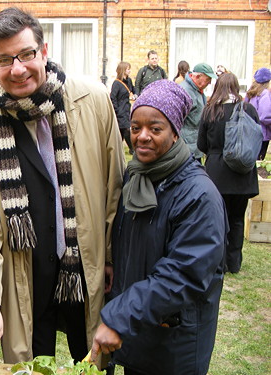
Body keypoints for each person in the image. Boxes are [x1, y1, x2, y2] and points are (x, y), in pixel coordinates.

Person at [0, 6, 125, 369]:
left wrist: (110, 256)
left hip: (85, 265)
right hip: (26, 276)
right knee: (31, 365)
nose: (17, 69)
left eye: (26, 54)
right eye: (4, 60)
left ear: (44, 51)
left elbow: (115, 187)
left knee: (96, 360)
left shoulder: (92, 100)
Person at [91, 79, 227, 375]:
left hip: (173, 343)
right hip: (140, 332)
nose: (142, 137)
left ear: (176, 132)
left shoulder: (198, 195)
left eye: (155, 128)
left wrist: (119, 316)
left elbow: (183, 274)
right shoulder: (137, 177)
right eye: (136, 127)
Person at [198, 72, 260, 274]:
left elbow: (201, 144)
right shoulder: (248, 109)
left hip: (217, 173)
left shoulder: (210, 111)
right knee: (237, 219)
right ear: (236, 87)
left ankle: (220, 262)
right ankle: (234, 263)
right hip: (242, 173)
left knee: (217, 221)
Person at [179, 63, 217, 162]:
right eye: (208, 79)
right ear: (197, 76)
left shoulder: (197, 89)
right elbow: (177, 120)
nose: (209, 83)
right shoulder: (185, 91)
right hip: (187, 149)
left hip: (194, 146)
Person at [245, 67, 271, 160]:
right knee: (259, 161)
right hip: (262, 133)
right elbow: (265, 116)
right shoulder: (265, 94)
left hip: (250, 131)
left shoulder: (251, 92)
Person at [110, 61, 136, 154]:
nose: (129, 71)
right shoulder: (116, 84)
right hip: (120, 111)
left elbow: (133, 89)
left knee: (121, 132)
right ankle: (132, 149)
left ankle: (116, 149)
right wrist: (116, 110)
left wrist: (135, 95)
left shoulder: (128, 81)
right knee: (126, 129)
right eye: (128, 69)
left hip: (127, 109)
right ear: (123, 70)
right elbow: (113, 98)